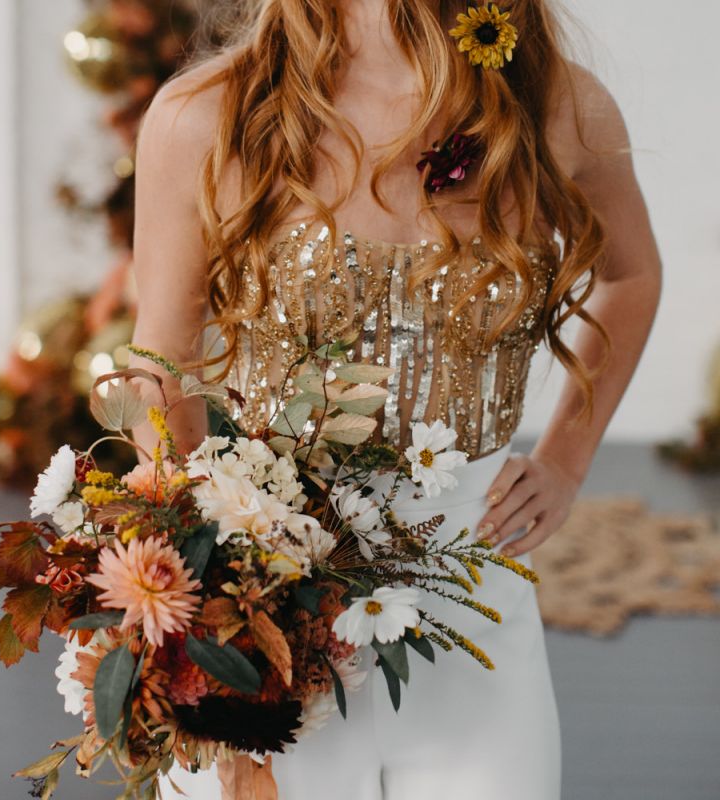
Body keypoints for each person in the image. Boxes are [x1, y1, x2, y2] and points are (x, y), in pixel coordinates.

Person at [128, 1, 662, 797]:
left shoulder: (555, 105)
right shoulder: (207, 114)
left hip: (474, 602)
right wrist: (192, 576)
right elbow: (162, 353)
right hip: (273, 603)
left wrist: (565, 462)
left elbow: (631, 274)